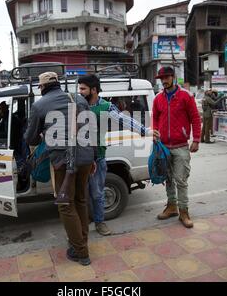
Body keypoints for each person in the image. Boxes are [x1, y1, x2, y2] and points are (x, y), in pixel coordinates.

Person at [24, 72, 96, 266]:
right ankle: (82, 240)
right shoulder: (79, 98)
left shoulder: (39, 105)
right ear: (58, 84)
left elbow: (30, 139)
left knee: (66, 205)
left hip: (62, 162)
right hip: (86, 158)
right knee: (81, 200)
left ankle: (80, 251)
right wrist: (93, 157)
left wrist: (42, 133)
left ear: (42, 87)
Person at [77, 74, 159, 236]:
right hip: (80, 158)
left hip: (97, 158)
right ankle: (83, 222)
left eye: (83, 89)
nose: (80, 92)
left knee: (97, 193)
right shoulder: (78, 105)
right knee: (80, 195)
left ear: (93, 90)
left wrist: (145, 131)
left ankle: (100, 222)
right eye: (79, 88)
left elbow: (124, 120)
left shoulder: (106, 106)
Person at [152, 66, 201, 228]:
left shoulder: (186, 96)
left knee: (181, 179)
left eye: (166, 77)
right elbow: (155, 118)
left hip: (181, 145)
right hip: (163, 147)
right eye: (161, 78)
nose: (164, 81)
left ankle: (184, 211)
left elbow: (195, 117)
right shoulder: (158, 98)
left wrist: (197, 139)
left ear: (173, 77)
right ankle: (172, 206)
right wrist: (155, 133)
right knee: (168, 178)